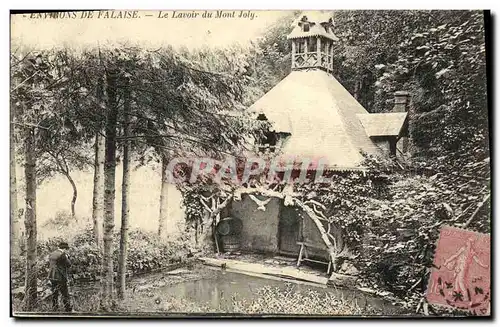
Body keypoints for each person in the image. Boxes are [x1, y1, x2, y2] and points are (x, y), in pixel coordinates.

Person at [47, 241, 72, 312]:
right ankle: (68, 308)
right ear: (64, 249)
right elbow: (69, 264)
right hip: (60, 277)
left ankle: (55, 307)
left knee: (55, 292)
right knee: (65, 293)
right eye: (67, 249)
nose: (67, 250)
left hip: (52, 276)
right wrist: (67, 257)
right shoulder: (63, 255)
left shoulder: (52, 253)